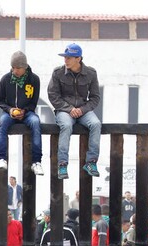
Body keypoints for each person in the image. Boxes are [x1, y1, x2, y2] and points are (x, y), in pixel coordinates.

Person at [47, 43, 102, 180]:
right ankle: (62, 164)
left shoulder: (91, 73)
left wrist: (82, 110)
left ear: (78, 59)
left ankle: (91, 162)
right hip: (64, 111)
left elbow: (95, 98)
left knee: (96, 124)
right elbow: (53, 95)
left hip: (83, 110)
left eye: (69, 58)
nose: (65, 60)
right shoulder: (58, 73)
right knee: (66, 126)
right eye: (65, 57)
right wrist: (69, 109)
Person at [0, 51, 43, 174]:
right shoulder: (5, 79)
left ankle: (36, 161)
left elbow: (34, 102)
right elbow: (0, 100)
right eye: (13, 67)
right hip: (9, 112)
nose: (15, 71)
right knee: (2, 123)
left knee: (36, 122)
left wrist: (25, 110)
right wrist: (10, 110)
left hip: (27, 113)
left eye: (18, 68)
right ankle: (2, 158)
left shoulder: (34, 80)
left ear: (25, 67)